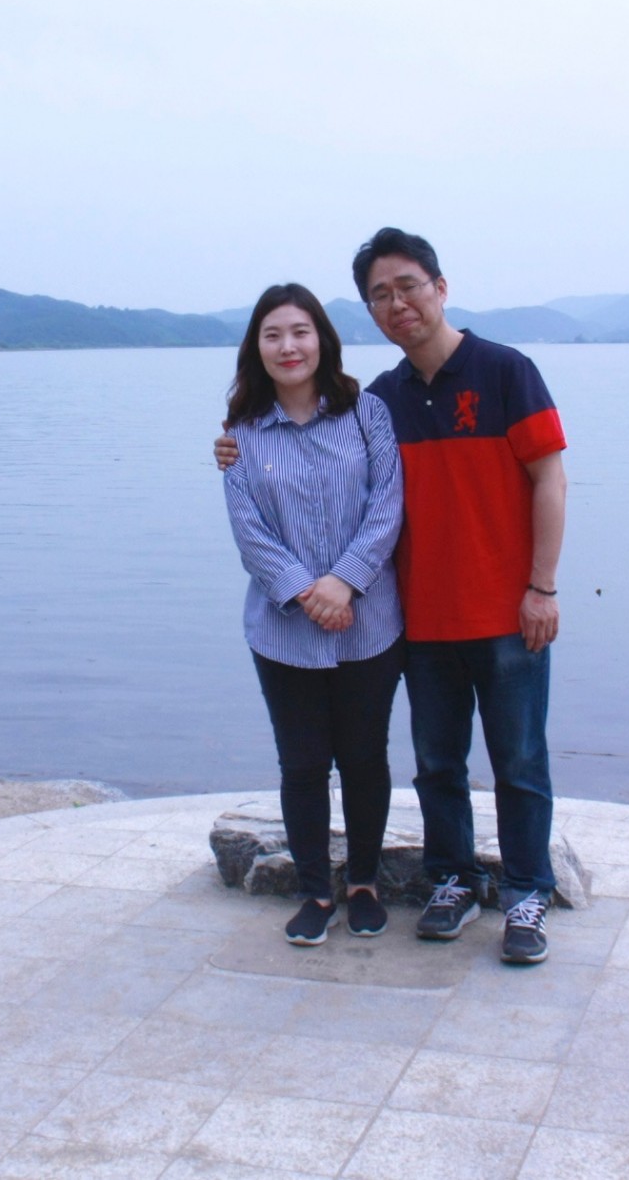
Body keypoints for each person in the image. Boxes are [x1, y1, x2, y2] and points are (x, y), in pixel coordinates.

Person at [217, 233, 566, 964]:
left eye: (408, 286)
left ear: (440, 286)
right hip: (424, 618)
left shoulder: (503, 372)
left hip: (503, 612)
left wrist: (542, 586)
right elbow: (273, 510)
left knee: (519, 762)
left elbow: (547, 479)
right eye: (381, 294)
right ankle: (453, 880)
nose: (397, 303)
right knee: (435, 763)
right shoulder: (384, 398)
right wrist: (234, 452)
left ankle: (527, 893)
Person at [222, 283, 404, 947]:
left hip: (369, 624)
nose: (288, 346)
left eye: (300, 331)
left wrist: (345, 582)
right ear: (257, 348)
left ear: (322, 339)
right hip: (284, 631)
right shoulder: (241, 434)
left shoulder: (367, 414)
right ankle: (314, 891)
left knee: (364, 758)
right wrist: (308, 592)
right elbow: (250, 533)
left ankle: (363, 883)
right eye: (273, 335)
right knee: (301, 764)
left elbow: (388, 504)